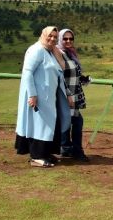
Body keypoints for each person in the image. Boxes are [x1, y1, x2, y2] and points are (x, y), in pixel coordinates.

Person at [15, 26, 72, 167]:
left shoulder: (50, 51)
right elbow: (27, 72)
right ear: (43, 35)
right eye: (50, 36)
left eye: (55, 36)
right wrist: (33, 95)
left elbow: (61, 69)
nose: (52, 39)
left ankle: (45, 154)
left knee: (48, 125)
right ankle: (37, 157)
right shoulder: (37, 50)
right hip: (38, 98)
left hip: (48, 97)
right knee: (39, 125)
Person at [58, 28, 91, 161]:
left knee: (69, 121)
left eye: (71, 39)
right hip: (66, 96)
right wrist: (67, 94)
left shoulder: (70, 53)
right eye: (65, 38)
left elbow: (72, 73)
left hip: (74, 94)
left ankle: (66, 148)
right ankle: (76, 151)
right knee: (76, 122)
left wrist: (83, 78)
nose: (68, 41)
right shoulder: (58, 53)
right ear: (60, 39)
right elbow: (60, 76)